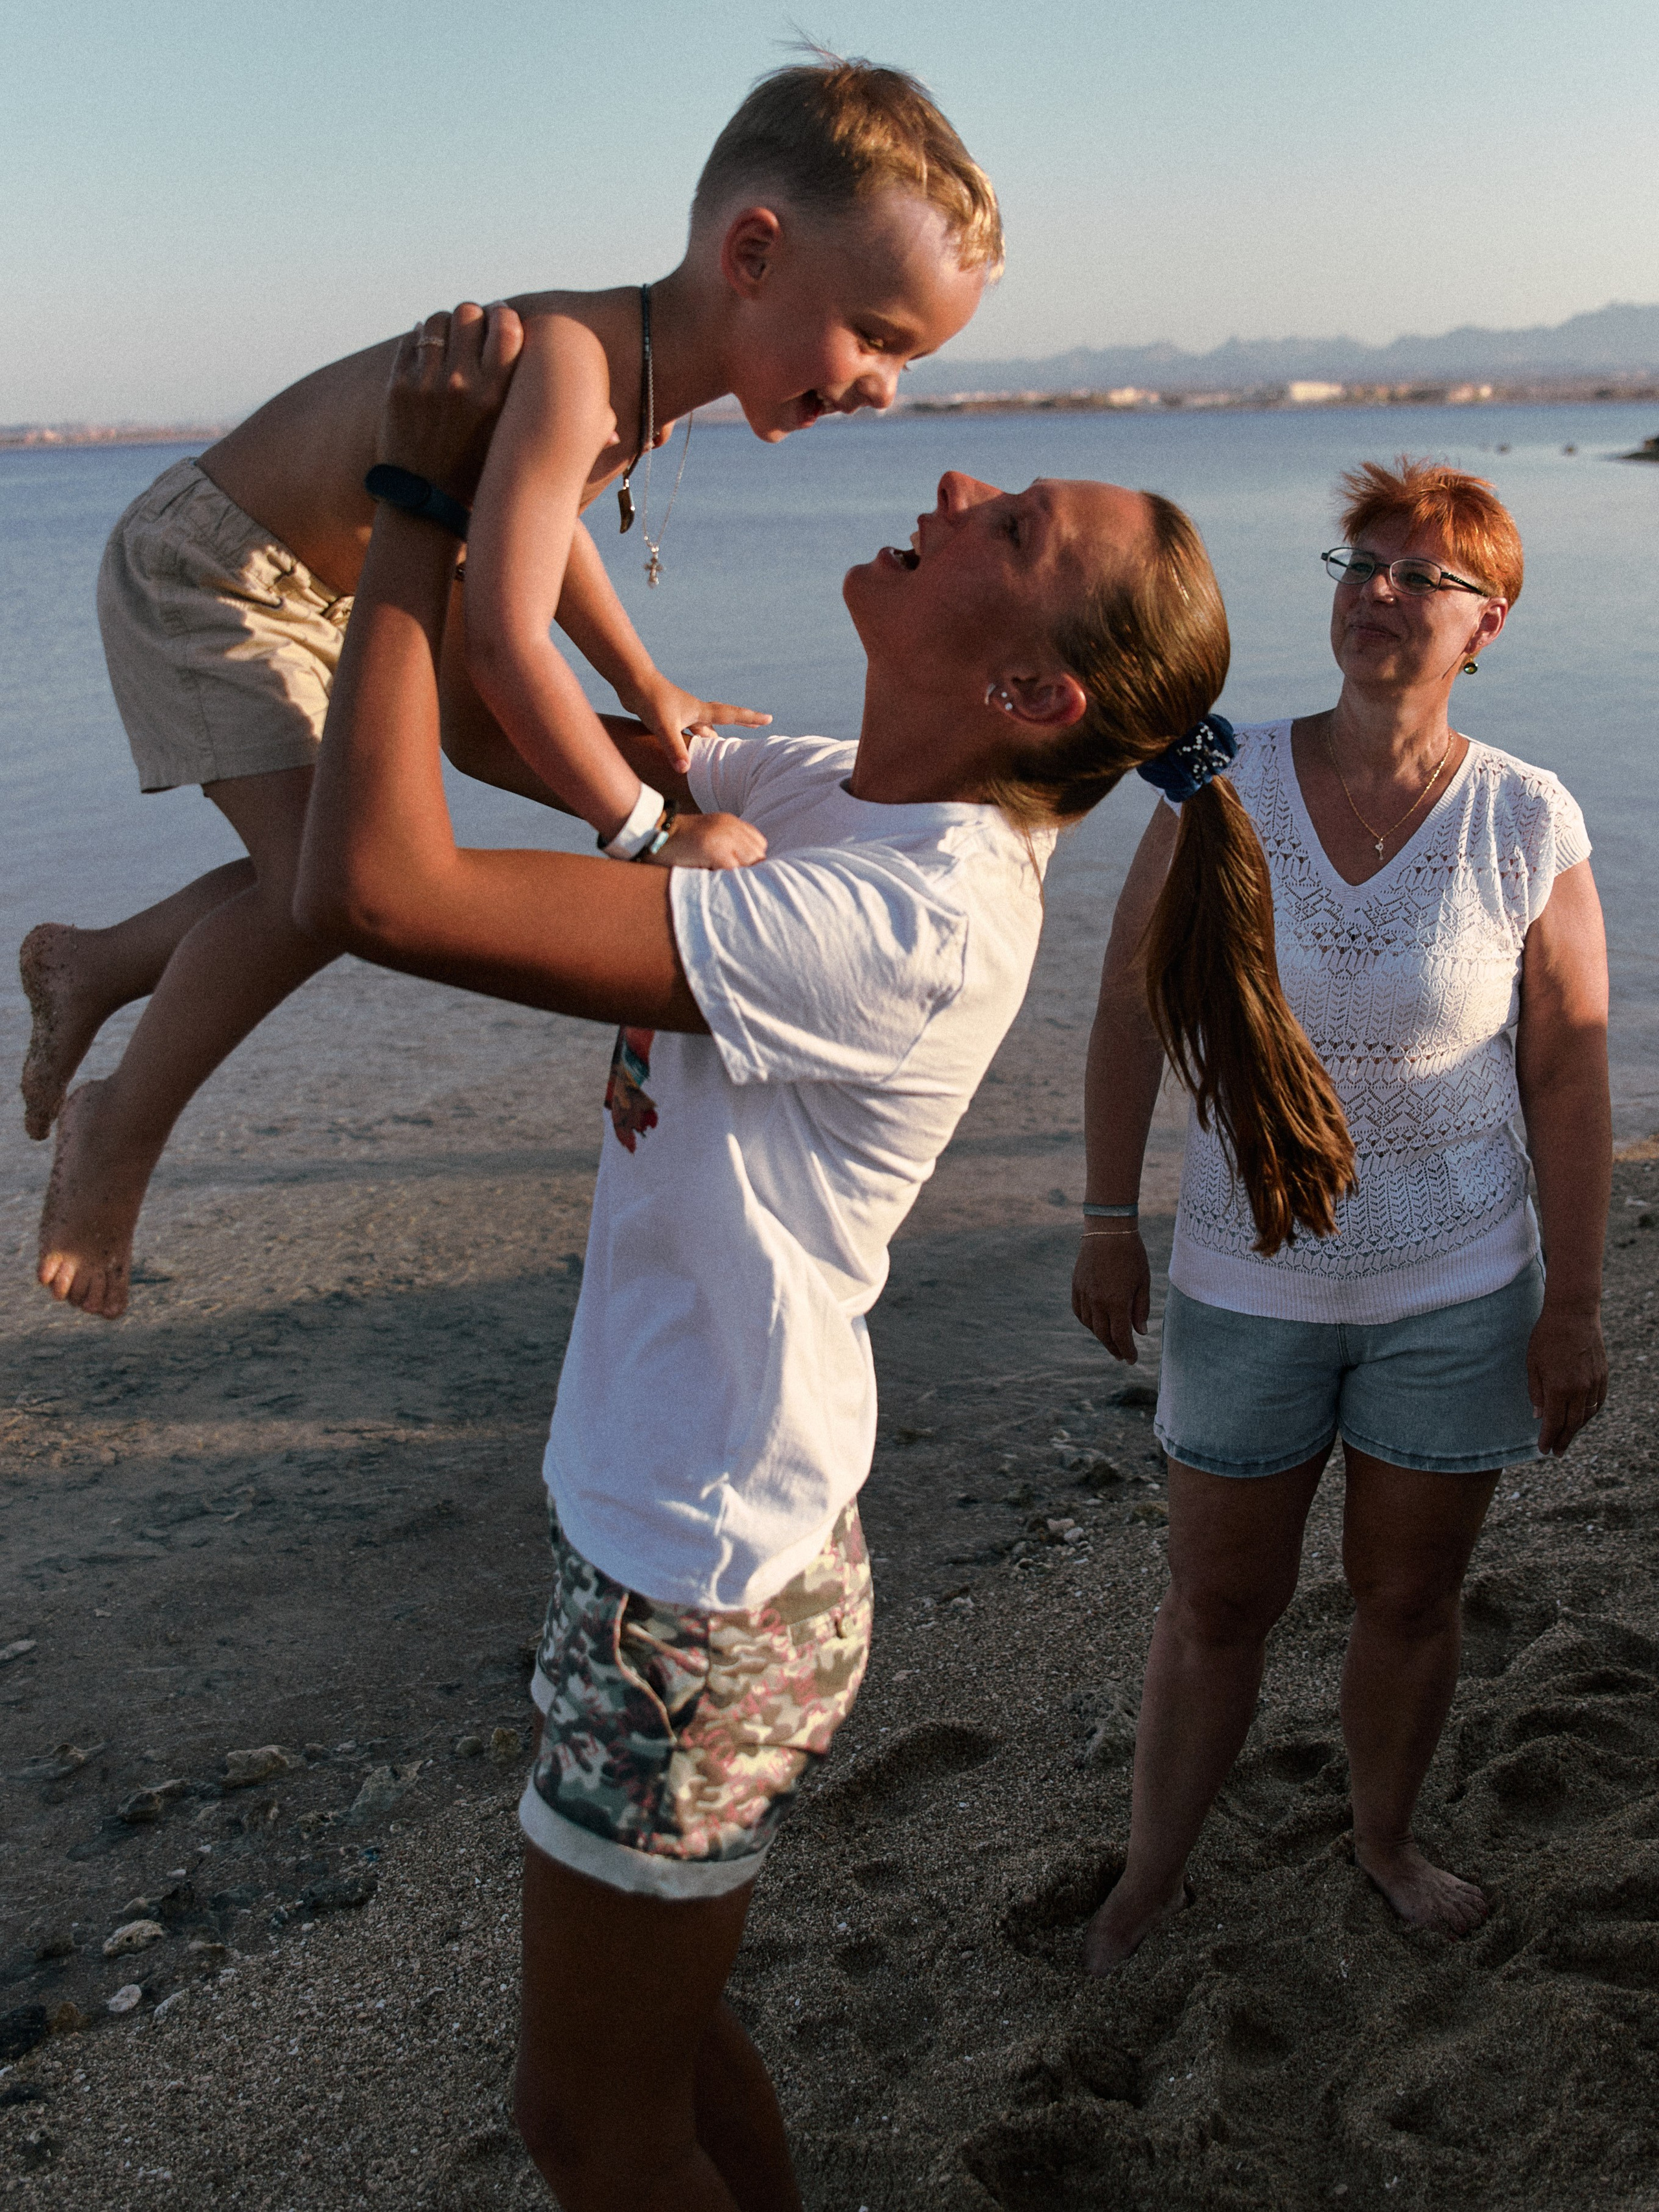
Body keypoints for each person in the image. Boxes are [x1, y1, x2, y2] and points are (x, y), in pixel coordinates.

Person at [296, 303, 1349, 2210]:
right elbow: (468, 700)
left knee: (586, 2122)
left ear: (1038, 697)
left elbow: (374, 883)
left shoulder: (909, 911)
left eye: (1012, 526)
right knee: (669, 2051)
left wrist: (405, 492)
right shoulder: (813, 786)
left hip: (699, 1602)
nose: (952, 483)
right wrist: (498, 478)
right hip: (680, 1535)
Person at [24, 54, 1001, 1320]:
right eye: (875, 336)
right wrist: (646, 836)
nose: (879, 386)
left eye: (906, 359)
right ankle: (117, 1133)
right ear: (751, 254)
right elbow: (500, 640)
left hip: (353, 576)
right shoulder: (572, 365)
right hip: (221, 572)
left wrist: (645, 683)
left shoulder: (625, 385)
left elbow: (542, 550)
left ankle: (95, 965)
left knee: (340, 855)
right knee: (330, 888)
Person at [1071, 457, 1610, 1973]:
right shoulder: (1212, 775)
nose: (1378, 594)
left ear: (1483, 623)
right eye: (1359, 564)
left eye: (1418, 577)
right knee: (1217, 1597)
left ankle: (1380, 1837)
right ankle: (1145, 1876)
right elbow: (1126, 1006)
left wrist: (1571, 1302)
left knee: (1409, 1593)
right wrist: (1103, 1215)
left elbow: (1568, 1072)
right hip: (1247, 1277)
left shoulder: (1524, 818)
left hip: (1455, 1280)